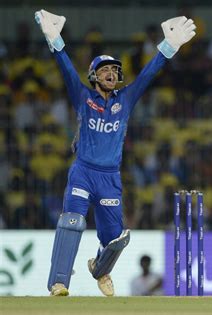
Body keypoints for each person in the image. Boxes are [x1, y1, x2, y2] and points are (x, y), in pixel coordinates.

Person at [34, 9, 196, 297]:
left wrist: (168, 47)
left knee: (116, 239)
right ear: (94, 76)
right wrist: (55, 41)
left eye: (114, 70)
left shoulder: (126, 99)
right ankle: (58, 283)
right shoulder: (83, 96)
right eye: (105, 70)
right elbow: (66, 70)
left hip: (110, 177)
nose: (111, 73)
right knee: (72, 221)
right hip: (83, 172)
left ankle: (100, 269)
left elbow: (148, 74)